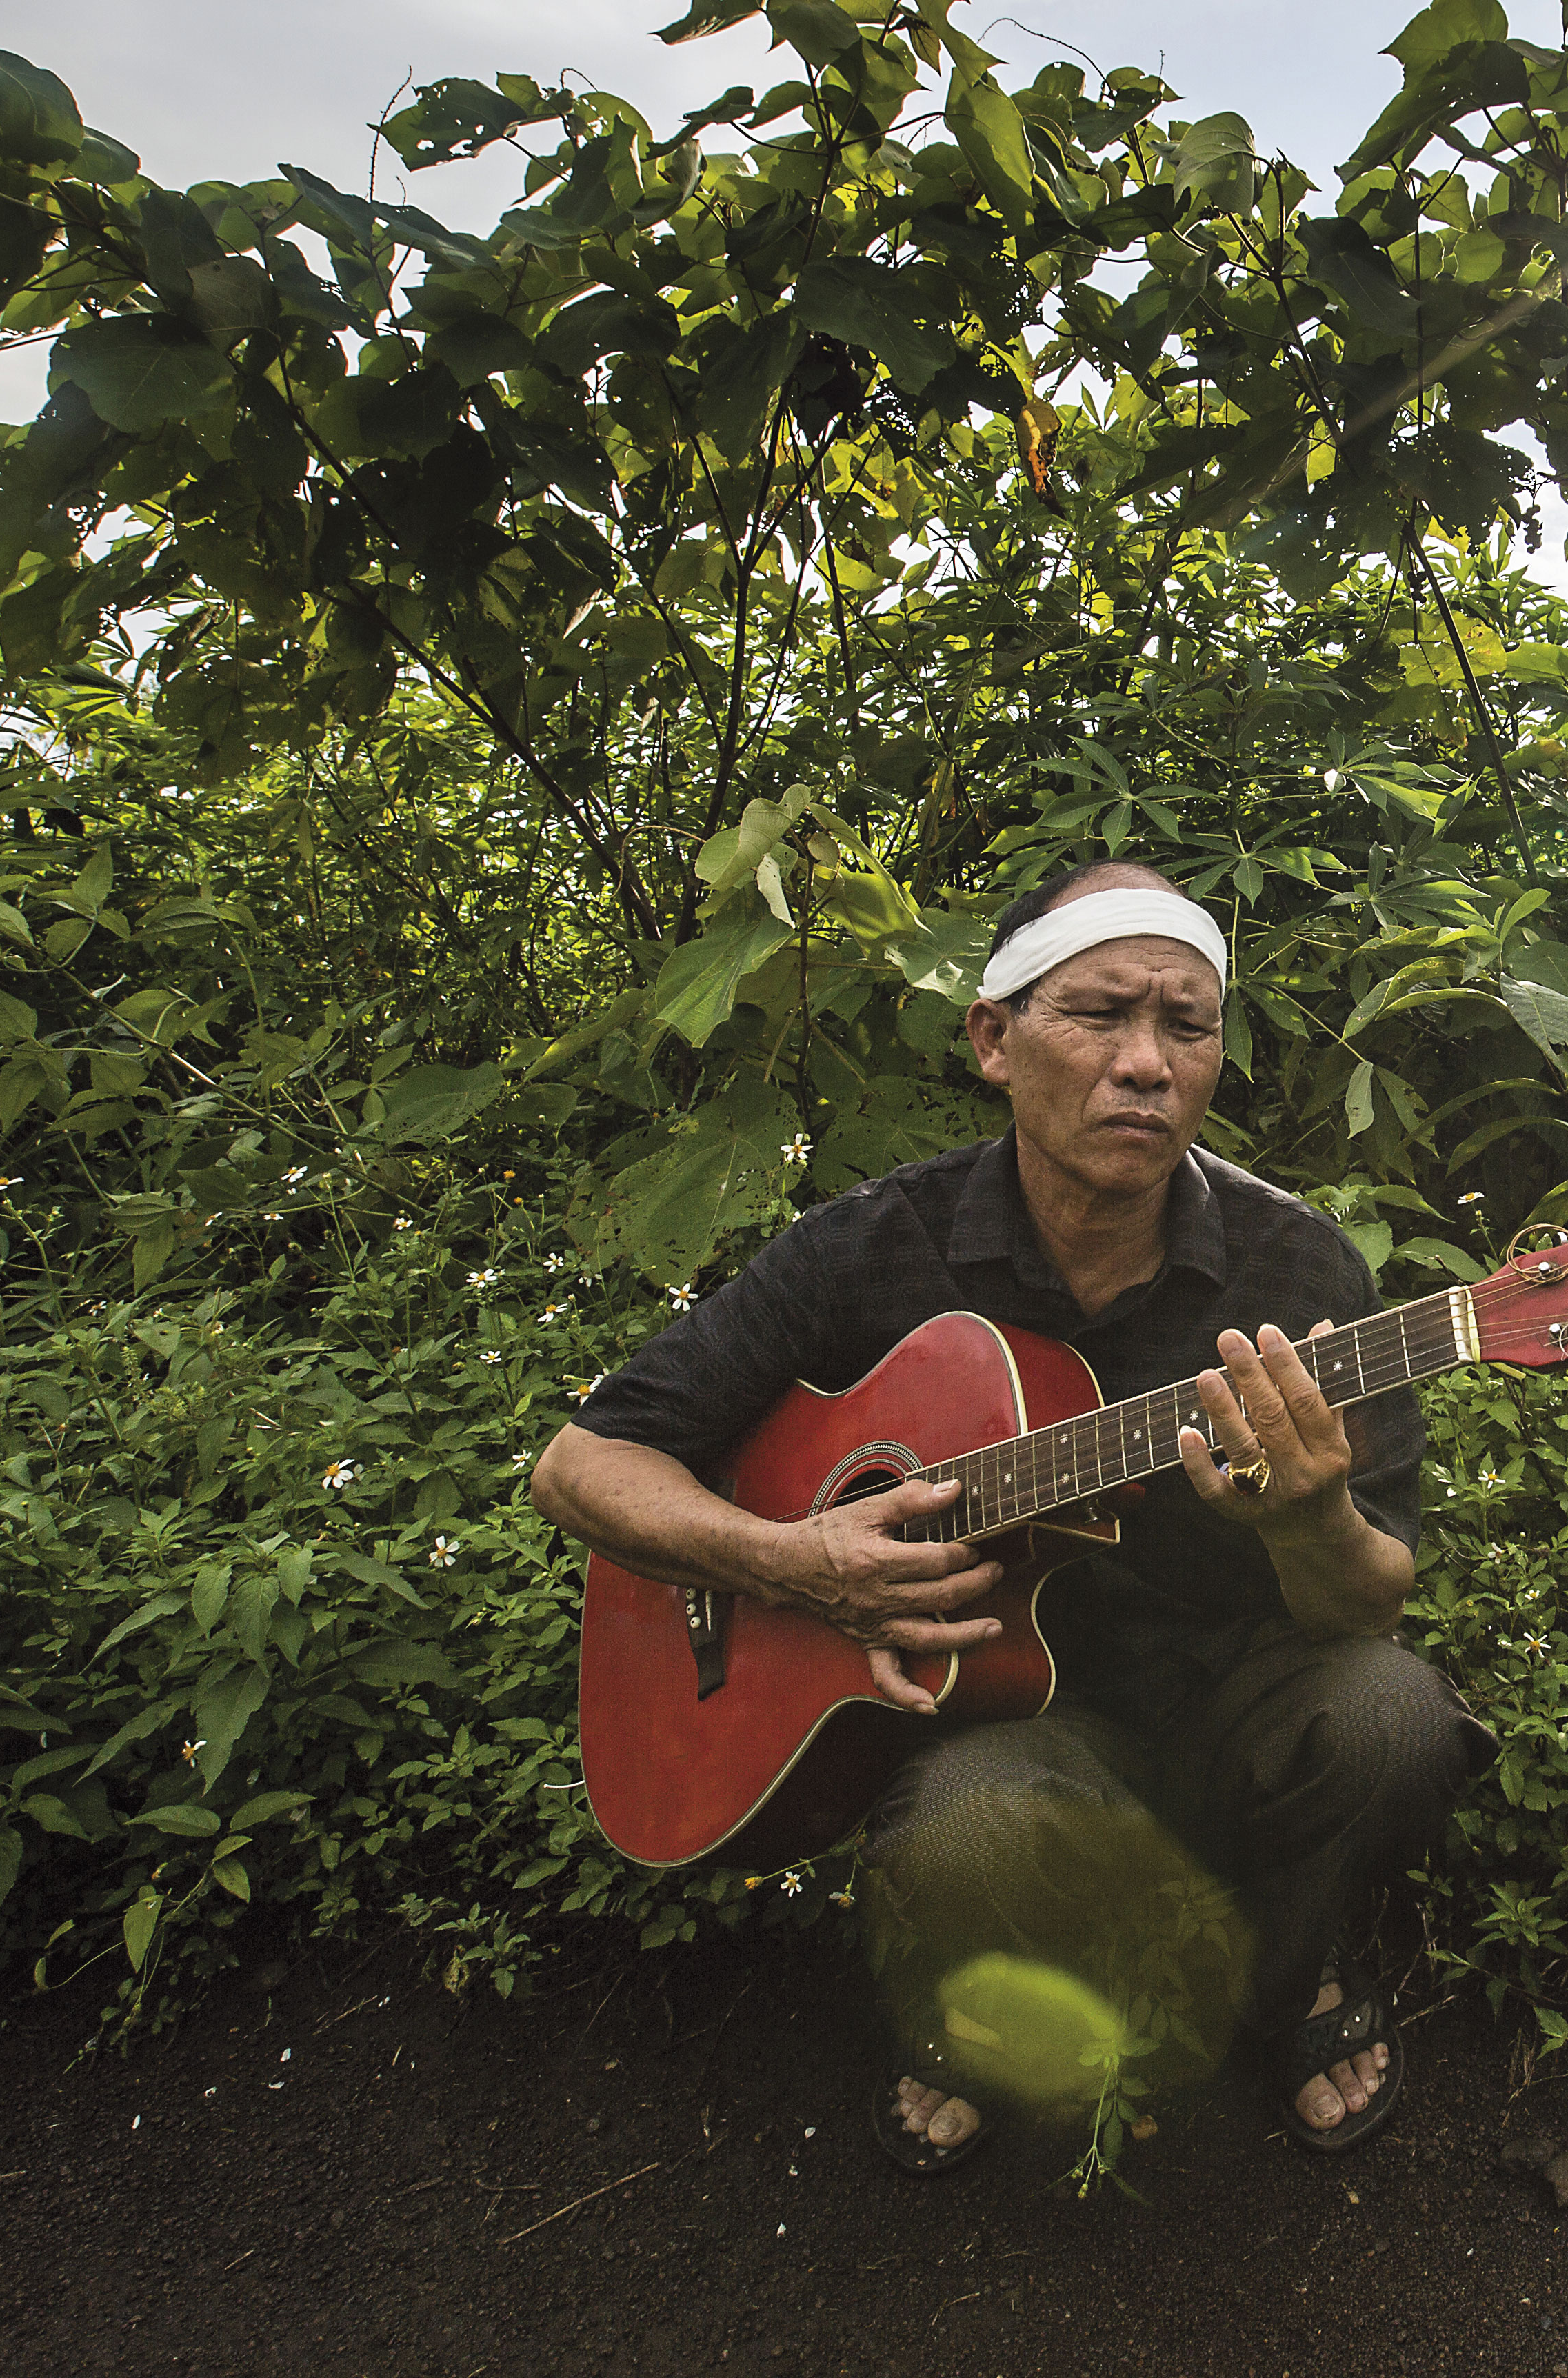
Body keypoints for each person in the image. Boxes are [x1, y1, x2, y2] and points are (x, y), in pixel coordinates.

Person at [527, 859, 1480, 2169]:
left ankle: (1291, 1975)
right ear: (994, 1037)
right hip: (1000, 1723)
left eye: (1186, 1025)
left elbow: (1368, 1600)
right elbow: (582, 1465)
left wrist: (1309, 1516)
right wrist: (793, 1562)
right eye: (1099, 1014)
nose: (1145, 1063)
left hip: (1233, 1691)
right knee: (971, 1837)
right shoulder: (872, 1247)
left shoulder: (1298, 1272)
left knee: (1396, 1716)